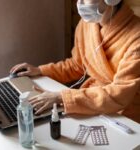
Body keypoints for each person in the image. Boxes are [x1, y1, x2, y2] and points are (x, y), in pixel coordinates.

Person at [10, 0, 140, 123]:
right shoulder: (86, 25)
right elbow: (77, 65)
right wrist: (40, 70)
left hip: (125, 112)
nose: (80, 3)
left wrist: (62, 97)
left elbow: (120, 94)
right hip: (91, 101)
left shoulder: (136, 37)